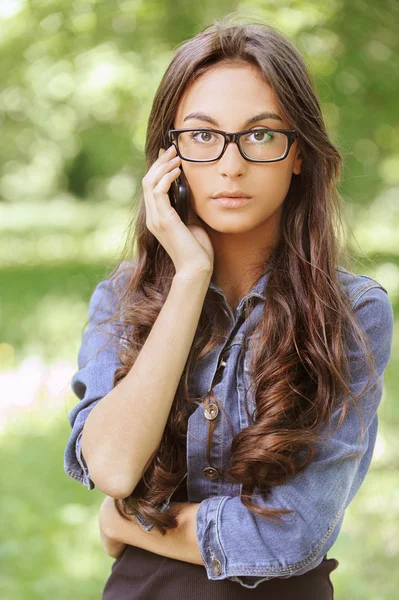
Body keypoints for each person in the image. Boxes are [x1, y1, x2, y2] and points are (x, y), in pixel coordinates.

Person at [63, 14, 394, 600]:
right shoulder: (123, 296)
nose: (231, 163)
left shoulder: (352, 310)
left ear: (299, 153)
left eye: (262, 134)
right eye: (202, 135)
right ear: (171, 155)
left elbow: (293, 537)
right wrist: (191, 277)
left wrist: (127, 521)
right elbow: (112, 468)